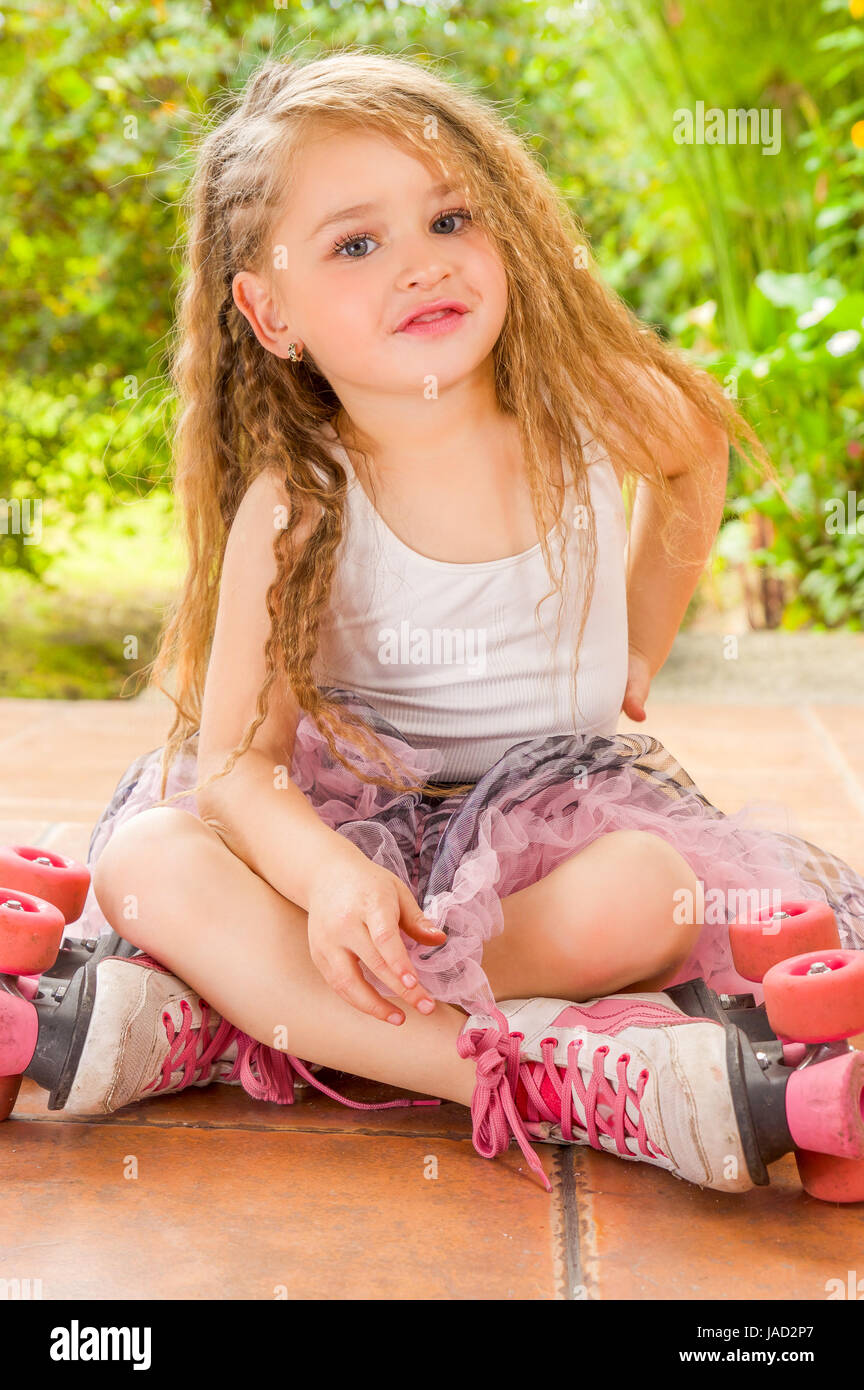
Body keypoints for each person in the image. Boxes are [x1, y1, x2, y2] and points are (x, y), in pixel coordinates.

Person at [62, 50, 864, 1194]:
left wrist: (640, 637)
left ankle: (247, 1019)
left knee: (655, 890)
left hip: (543, 831)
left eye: (450, 217)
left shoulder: (582, 409)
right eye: (356, 243)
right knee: (148, 861)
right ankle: (525, 1068)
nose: (421, 265)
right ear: (271, 312)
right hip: (343, 831)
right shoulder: (297, 503)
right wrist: (335, 882)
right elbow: (237, 769)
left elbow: (695, 454)